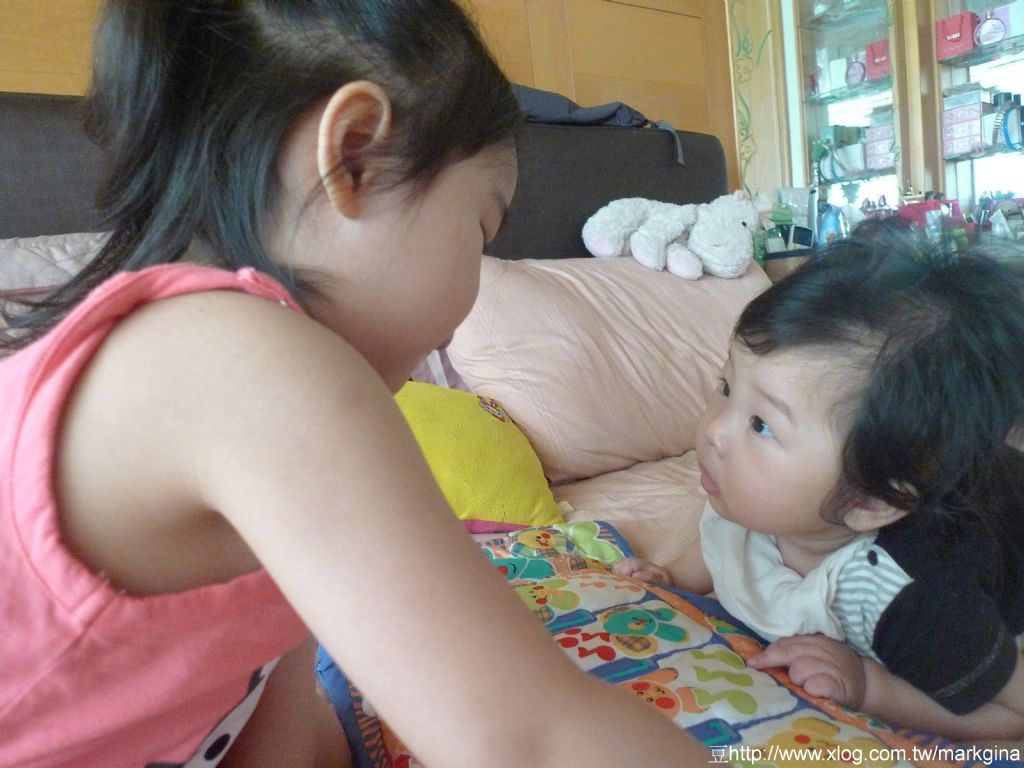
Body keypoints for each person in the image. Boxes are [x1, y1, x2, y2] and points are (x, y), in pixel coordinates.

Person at [0, 2, 712, 766]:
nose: (468, 297)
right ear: (354, 156)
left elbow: (277, 731)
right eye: (480, 231)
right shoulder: (244, 361)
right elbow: (531, 743)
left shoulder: (234, 389)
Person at [614, 221, 1024, 741]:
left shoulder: (911, 598)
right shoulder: (752, 499)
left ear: (869, 500)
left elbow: (1014, 711)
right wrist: (672, 576)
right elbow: (724, 541)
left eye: (761, 424)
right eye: (726, 386)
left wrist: (871, 687)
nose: (714, 431)